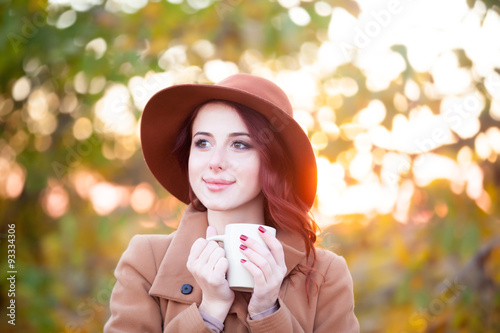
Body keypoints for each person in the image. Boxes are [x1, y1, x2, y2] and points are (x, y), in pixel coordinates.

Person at [104, 73, 359, 332]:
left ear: (274, 162)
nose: (215, 161)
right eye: (202, 142)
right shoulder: (146, 260)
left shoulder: (325, 273)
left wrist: (267, 312)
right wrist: (209, 311)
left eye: (239, 144)